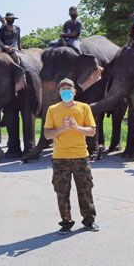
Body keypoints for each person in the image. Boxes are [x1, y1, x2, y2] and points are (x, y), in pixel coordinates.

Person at [43, 78, 99, 234]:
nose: (65, 92)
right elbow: (47, 134)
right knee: (62, 190)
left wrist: (77, 127)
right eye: (62, 89)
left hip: (81, 156)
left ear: (74, 91)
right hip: (60, 157)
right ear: (59, 92)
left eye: (68, 89)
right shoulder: (53, 110)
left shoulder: (84, 108)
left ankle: (89, 220)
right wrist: (62, 128)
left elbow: (92, 131)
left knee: (85, 189)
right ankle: (66, 222)